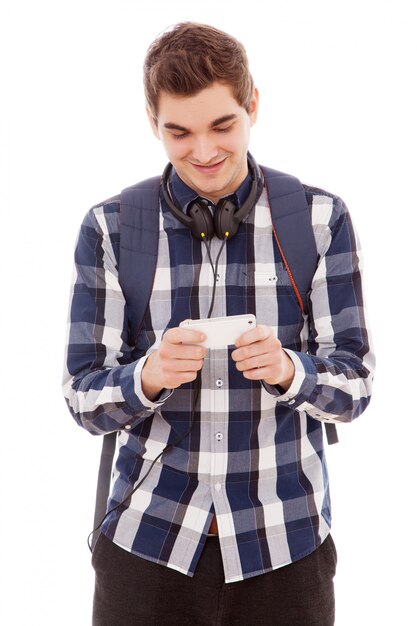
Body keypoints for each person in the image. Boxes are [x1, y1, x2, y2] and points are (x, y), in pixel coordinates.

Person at [63, 22, 375, 625]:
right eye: (178, 132)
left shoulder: (318, 220)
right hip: (146, 543)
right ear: (152, 121)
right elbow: (82, 399)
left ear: (252, 104)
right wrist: (146, 378)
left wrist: (291, 371)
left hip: (286, 545)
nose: (203, 152)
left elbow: (355, 388)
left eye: (222, 125)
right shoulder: (111, 227)